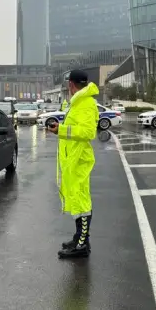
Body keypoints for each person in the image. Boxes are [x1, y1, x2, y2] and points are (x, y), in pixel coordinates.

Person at [47, 69, 99, 259]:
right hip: (74, 159)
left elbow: (88, 132)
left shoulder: (85, 103)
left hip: (79, 160)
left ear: (71, 84)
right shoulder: (79, 102)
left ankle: (81, 245)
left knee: (81, 202)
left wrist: (61, 129)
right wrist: (60, 130)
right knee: (77, 200)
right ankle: (80, 238)